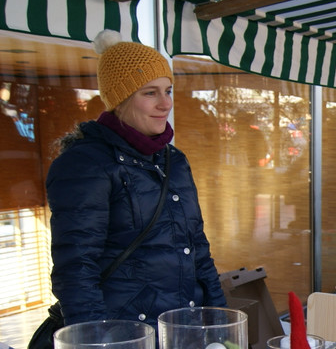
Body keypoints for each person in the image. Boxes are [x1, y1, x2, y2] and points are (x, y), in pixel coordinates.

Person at [47, 30, 226, 327]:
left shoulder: (173, 160)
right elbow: (77, 269)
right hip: (128, 335)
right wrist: (97, 344)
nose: (165, 104)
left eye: (168, 91)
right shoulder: (85, 164)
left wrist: (221, 321)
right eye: (150, 93)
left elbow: (197, 250)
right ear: (120, 100)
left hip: (183, 329)